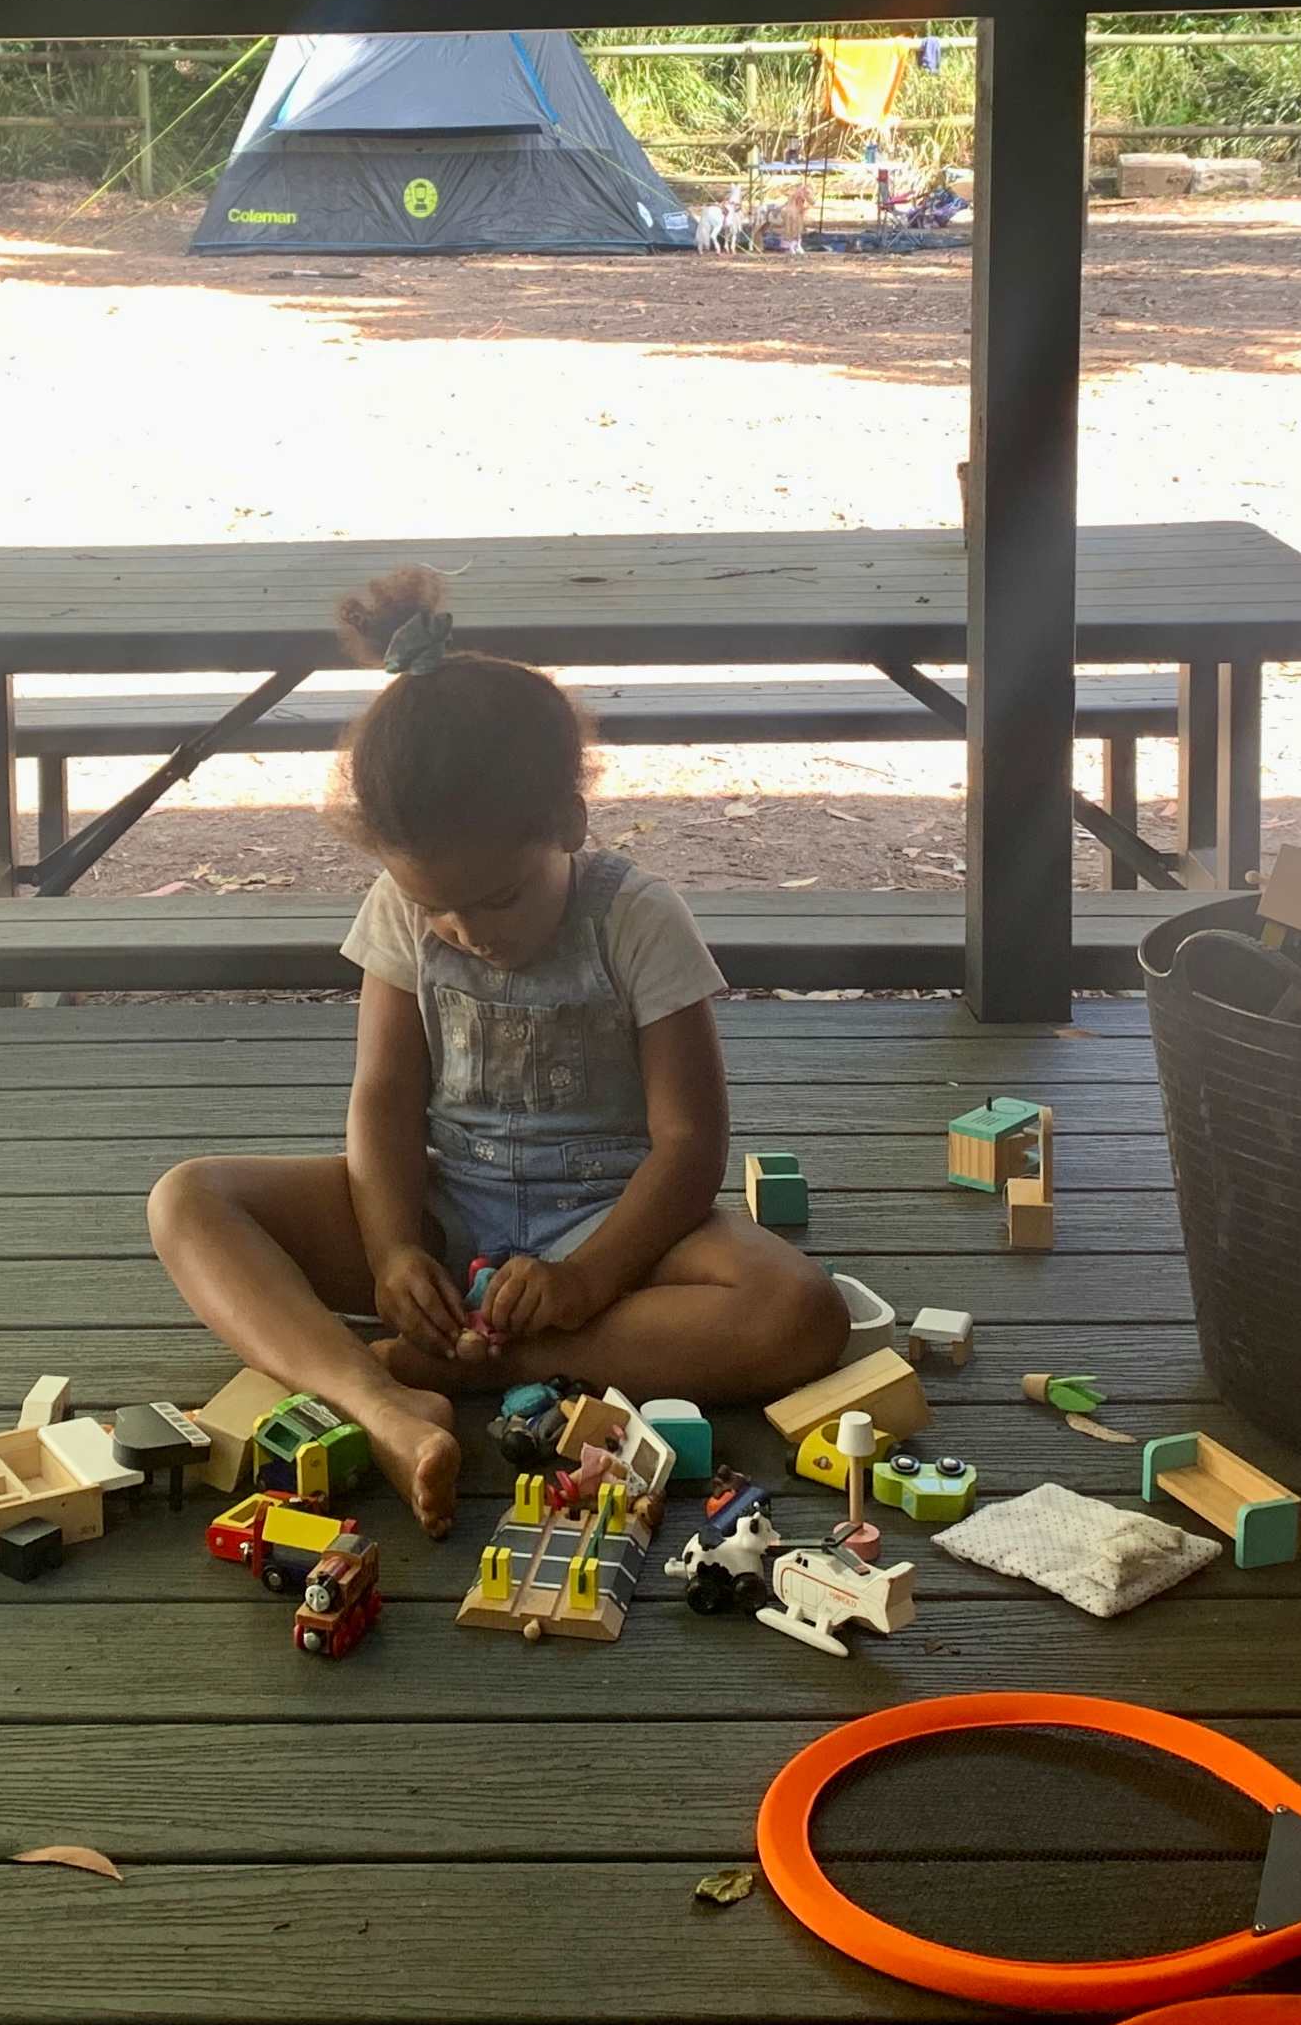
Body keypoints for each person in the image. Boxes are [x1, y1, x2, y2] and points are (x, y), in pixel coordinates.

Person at [147, 568, 848, 1536]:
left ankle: (475, 1362)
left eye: (497, 898)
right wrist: (393, 1247)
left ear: (565, 822)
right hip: (445, 1206)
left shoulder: (634, 918)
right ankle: (379, 1399)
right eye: (436, 904)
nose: (464, 930)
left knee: (797, 1310)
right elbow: (386, 1098)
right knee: (190, 1198)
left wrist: (586, 1278)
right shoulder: (402, 908)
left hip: (612, 1219)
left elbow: (688, 1145)